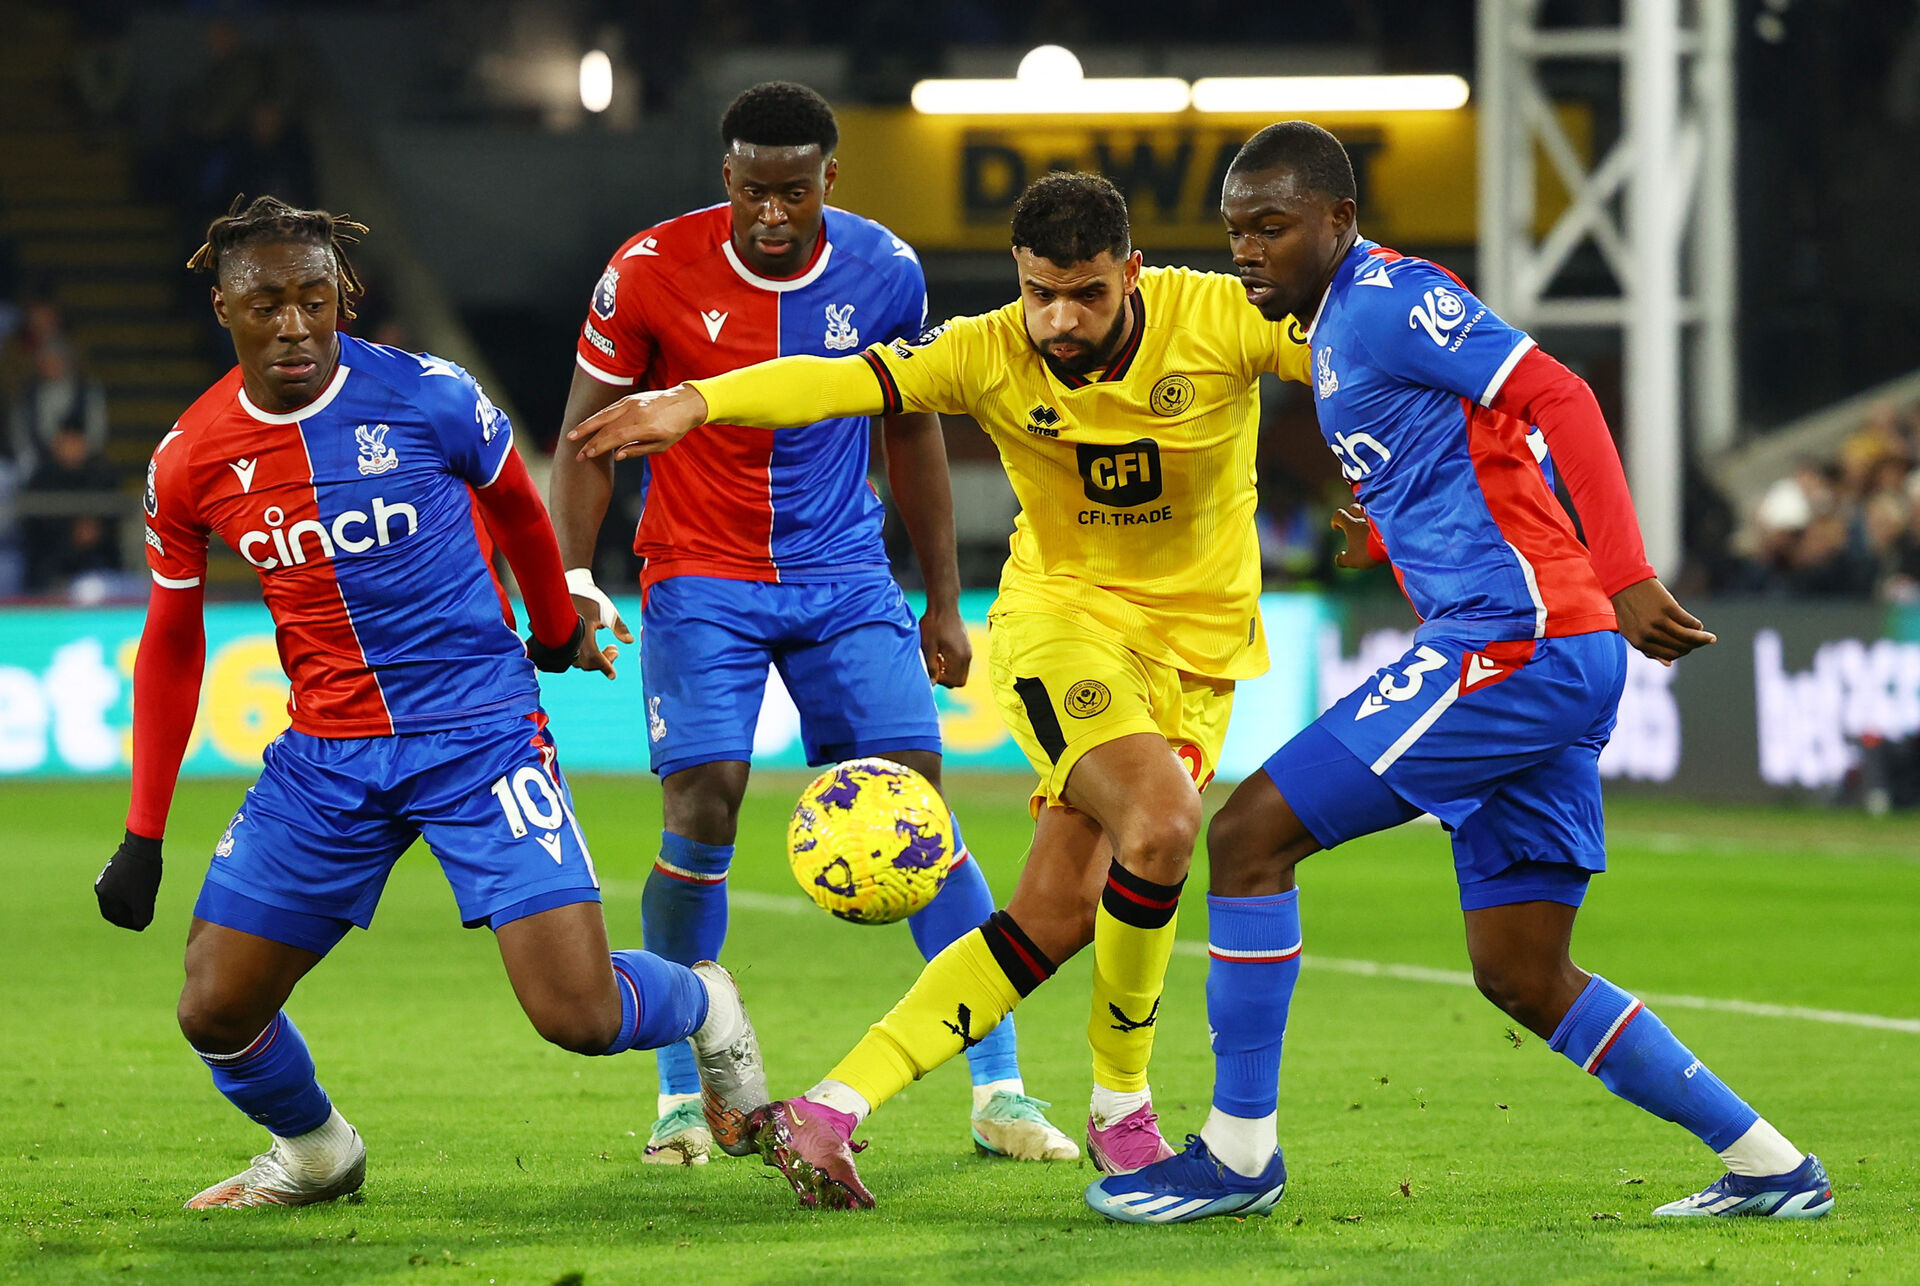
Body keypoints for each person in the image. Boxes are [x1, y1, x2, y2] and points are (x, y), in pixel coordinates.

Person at [1085, 122, 1831, 1225]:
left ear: (1339, 220)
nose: (1248, 250)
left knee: (1246, 838)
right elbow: (1467, 466)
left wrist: (1625, 572)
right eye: (1238, 230)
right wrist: (1379, 533)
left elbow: (1559, 396)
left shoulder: (1386, 299)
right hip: (1536, 647)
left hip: (1518, 640)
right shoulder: (1332, 328)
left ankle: (1240, 1153)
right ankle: (1774, 1165)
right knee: (1523, 972)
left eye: (1273, 227)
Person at [569, 171, 1313, 1209]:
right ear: (1019, 277)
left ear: (1130, 273)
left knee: (1057, 911)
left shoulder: (1217, 317)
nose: (1058, 318)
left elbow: (1353, 352)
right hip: (1065, 631)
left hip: (1198, 661)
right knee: (1165, 822)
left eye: (1087, 295)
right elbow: (831, 381)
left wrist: (1390, 455)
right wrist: (697, 399)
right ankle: (1122, 1108)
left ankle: (829, 1107)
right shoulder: (984, 348)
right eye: (1040, 291)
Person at [91, 195, 767, 1209]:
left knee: (578, 1013)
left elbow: (522, 513)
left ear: (343, 299)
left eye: (313, 300)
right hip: (327, 755)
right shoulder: (190, 458)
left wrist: (551, 627)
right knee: (215, 1006)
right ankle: (319, 1151)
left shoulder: (430, 396)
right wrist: (145, 832)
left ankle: (705, 999)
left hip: (479, 735)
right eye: (265, 303)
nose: (293, 325)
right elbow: (172, 641)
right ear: (223, 309)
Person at [546, 82, 1073, 1166]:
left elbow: (912, 433)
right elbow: (584, 435)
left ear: (831, 178)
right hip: (700, 572)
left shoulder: (885, 269)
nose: (771, 214)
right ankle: (683, 1095)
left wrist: (939, 594)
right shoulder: (644, 271)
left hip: (842, 572)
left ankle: (1000, 1087)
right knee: (703, 803)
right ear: (726, 181)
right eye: (751, 191)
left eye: (793, 191)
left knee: (914, 804)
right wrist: (572, 578)